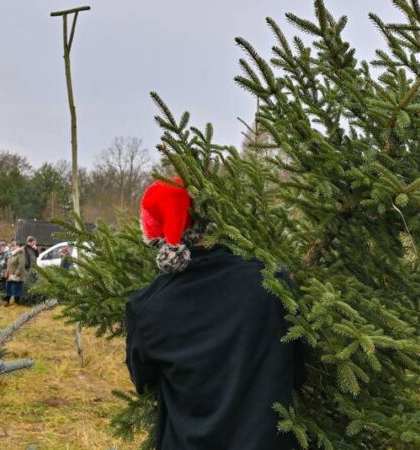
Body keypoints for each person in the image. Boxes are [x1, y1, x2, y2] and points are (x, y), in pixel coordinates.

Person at [125, 178, 302, 450]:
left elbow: (143, 381)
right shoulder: (272, 281)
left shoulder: (147, 307)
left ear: (159, 241)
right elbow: (298, 371)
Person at [5, 242, 26, 306]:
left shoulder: (20, 253)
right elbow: (9, 263)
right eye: (11, 246)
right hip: (10, 274)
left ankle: (16, 303)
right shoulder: (12, 254)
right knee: (8, 288)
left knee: (16, 288)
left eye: (13, 246)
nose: (12, 247)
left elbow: (21, 265)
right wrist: (7, 271)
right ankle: (7, 302)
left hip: (17, 275)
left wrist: (16, 274)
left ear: (17, 246)